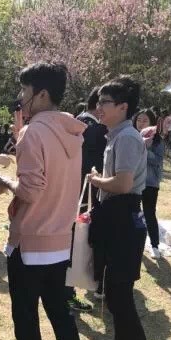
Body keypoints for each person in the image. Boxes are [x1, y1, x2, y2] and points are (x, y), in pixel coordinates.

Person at [0, 62, 91, 340]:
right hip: (60, 240)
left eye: (25, 91)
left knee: (26, 318)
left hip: (31, 242)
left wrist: (4, 182)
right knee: (61, 315)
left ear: (42, 94)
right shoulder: (72, 132)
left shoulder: (33, 133)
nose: (21, 98)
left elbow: (30, 190)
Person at [86, 76, 154, 340]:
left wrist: (96, 180)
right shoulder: (117, 135)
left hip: (123, 219)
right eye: (99, 102)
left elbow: (123, 184)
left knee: (121, 295)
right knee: (114, 293)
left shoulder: (126, 138)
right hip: (116, 218)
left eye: (105, 102)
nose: (99, 107)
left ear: (123, 107)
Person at [72, 86, 107, 307]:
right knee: (85, 237)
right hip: (89, 191)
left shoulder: (77, 121)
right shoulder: (97, 129)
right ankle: (90, 282)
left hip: (73, 189)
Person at [135, 109, 164, 260]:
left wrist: (145, 148)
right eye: (139, 120)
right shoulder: (131, 137)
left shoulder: (157, 140)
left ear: (152, 123)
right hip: (133, 181)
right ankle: (134, 242)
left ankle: (154, 246)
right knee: (134, 213)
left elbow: (157, 161)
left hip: (150, 183)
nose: (141, 123)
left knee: (149, 213)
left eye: (145, 120)